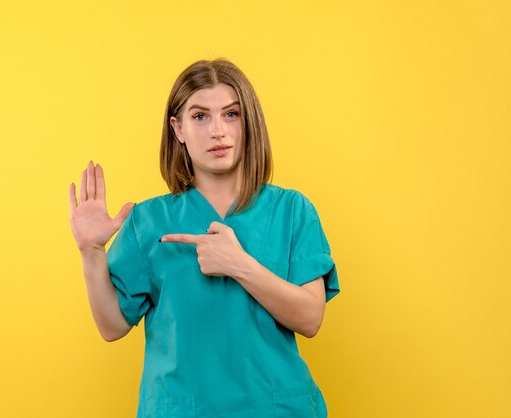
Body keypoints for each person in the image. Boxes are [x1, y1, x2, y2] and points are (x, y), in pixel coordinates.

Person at [68, 58, 340, 418]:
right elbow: (112, 326)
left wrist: (239, 265)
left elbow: (310, 318)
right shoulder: (150, 222)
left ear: (249, 123)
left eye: (231, 114)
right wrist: (90, 251)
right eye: (200, 116)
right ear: (177, 128)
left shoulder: (292, 211)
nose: (217, 130)